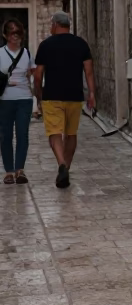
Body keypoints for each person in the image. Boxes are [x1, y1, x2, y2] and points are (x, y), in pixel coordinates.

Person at [33, 11, 96, 189]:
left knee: (54, 133)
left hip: (52, 96)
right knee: (71, 134)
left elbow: (38, 75)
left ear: (55, 25)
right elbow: (89, 72)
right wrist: (92, 94)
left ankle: (61, 164)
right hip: (74, 96)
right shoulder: (81, 44)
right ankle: (66, 167)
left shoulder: (45, 45)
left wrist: (39, 95)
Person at [0, 19, 35, 185]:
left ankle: (20, 169)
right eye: (12, 33)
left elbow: (31, 74)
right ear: (5, 35)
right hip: (4, 100)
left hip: (24, 99)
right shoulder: (0, 53)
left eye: (18, 33)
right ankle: (9, 171)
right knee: (5, 135)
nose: (16, 36)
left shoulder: (27, 53)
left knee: (22, 133)